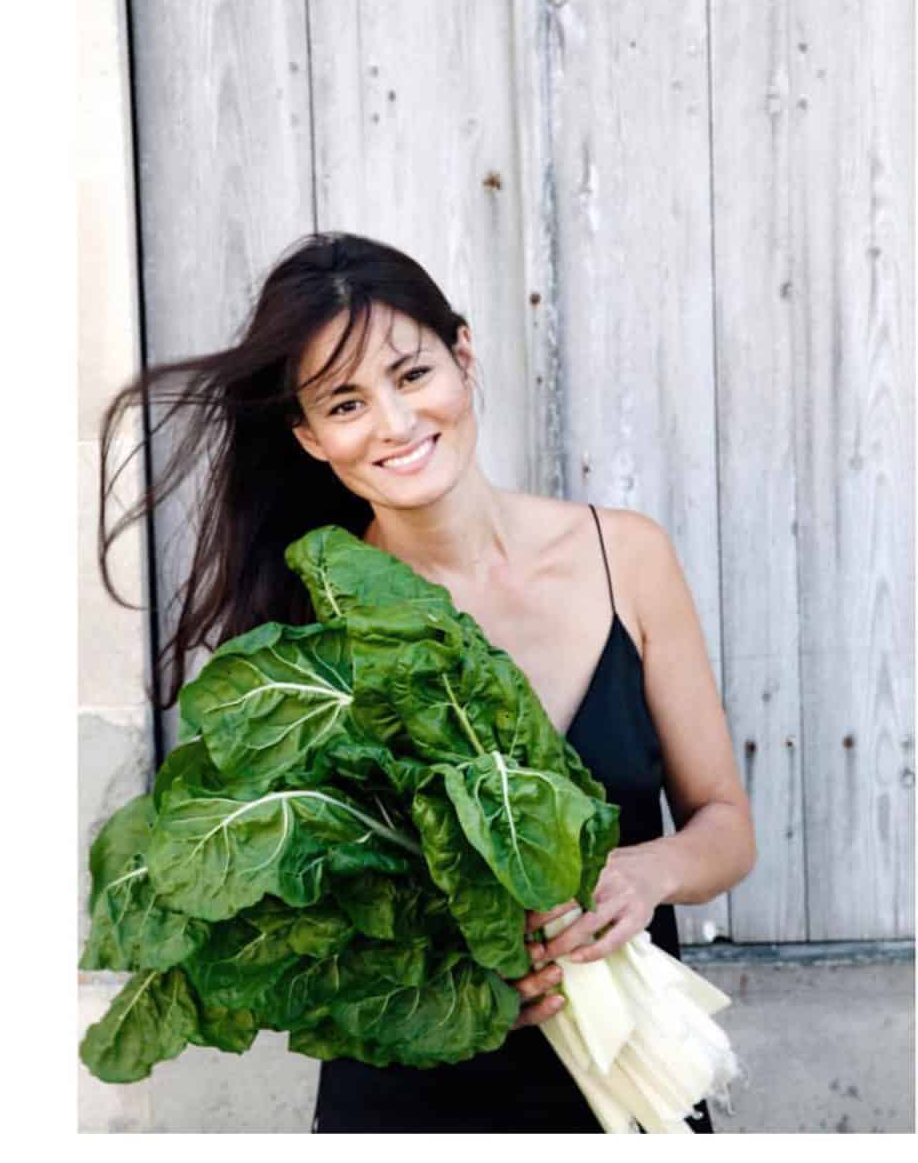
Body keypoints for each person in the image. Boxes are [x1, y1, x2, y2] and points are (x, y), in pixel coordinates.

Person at [98, 232, 756, 1132]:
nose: (396, 425)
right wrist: (443, 983)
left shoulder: (626, 557)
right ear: (310, 437)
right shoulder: (304, 645)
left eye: (411, 376)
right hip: (415, 1103)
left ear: (465, 356)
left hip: (634, 1087)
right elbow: (310, 936)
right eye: (345, 402)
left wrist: (648, 872)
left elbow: (726, 827)